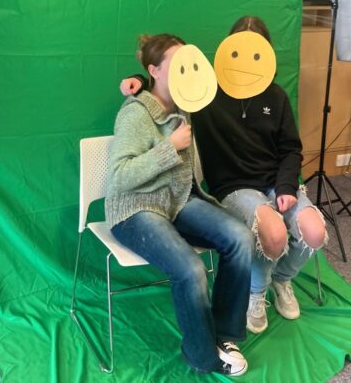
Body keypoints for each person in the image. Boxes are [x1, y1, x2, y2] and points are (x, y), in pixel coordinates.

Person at [120, 17, 328, 335]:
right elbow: (171, 80)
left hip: (276, 181)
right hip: (234, 186)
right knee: (273, 233)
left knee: (313, 231)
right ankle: (256, 294)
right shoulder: (206, 93)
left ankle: (281, 280)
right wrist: (139, 80)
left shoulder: (276, 96)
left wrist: (286, 186)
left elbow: (290, 149)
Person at [106, 33, 253, 376]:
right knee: (190, 269)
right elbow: (119, 177)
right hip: (135, 209)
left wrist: (141, 79)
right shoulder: (135, 113)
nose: (188, 72)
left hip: (177, 201)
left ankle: (225, 335)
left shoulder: (186, 104)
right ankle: (202, 356)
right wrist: (169, 147)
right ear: (155, 71)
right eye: (178, 65)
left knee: (241, 238)